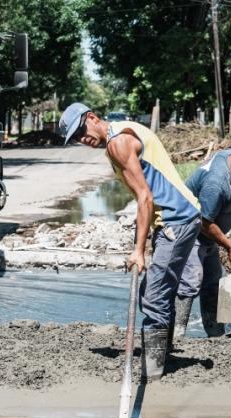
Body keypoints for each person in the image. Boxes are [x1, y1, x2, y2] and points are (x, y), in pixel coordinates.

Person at [58, 103, 200, 380]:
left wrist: (139, 251)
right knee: (154, 288)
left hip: (175, 220)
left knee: (155, 295)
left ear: (92, 117)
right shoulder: (124, 133)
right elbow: (145, 197)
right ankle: (163, 351)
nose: (81, 139)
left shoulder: (117, 143)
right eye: (75, 138)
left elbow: (145, 197)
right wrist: (143, 243)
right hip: (179, 218)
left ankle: (153, 372)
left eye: (80, 131)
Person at [174, 147, 231, 337]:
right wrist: (230, 246)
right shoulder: (215, 184)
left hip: (207, 236)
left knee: (212, 282)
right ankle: (175, 336)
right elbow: (204, 222)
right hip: (189, 232)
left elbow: (229, 189)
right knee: (189, 283)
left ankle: (216, 336)